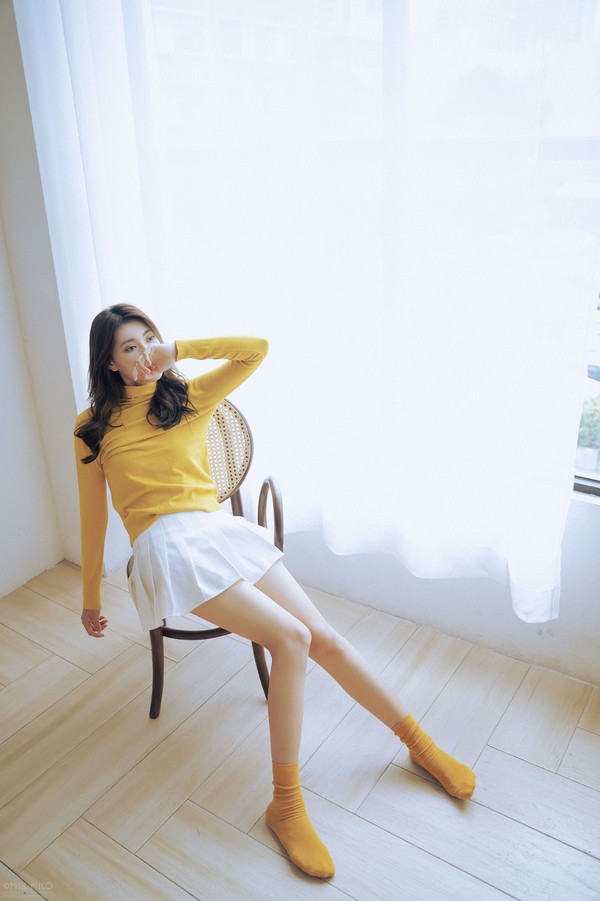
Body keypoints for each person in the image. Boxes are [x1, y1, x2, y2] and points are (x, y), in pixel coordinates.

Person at [74, 303, 476, 880]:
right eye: (130, 348)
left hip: (215, 531)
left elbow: (255, 349)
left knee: (323, 637)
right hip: (166, 548)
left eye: (150, 339)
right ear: (110, 363)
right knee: (291, 639)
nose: (145, 355)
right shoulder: (91, 426)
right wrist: (90, 595)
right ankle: (285, 805)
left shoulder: (185, 398)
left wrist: (178, 350)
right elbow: (92, 516)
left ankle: (419, 744)